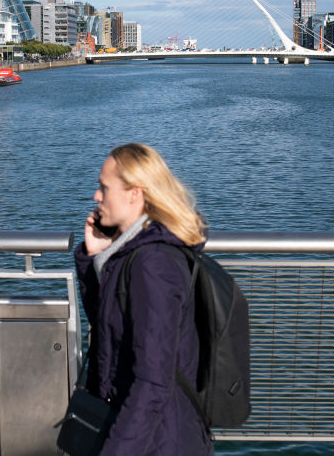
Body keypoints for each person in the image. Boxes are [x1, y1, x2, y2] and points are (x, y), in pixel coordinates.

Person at [74, 143, 212, 455]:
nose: (97, 196)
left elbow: (152, 384)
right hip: (147, 434)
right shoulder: (133, 252)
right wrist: (95, 259)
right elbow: (109, 329)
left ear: (134, 193)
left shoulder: (153, 264)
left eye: (104, 188)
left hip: (161, 441)